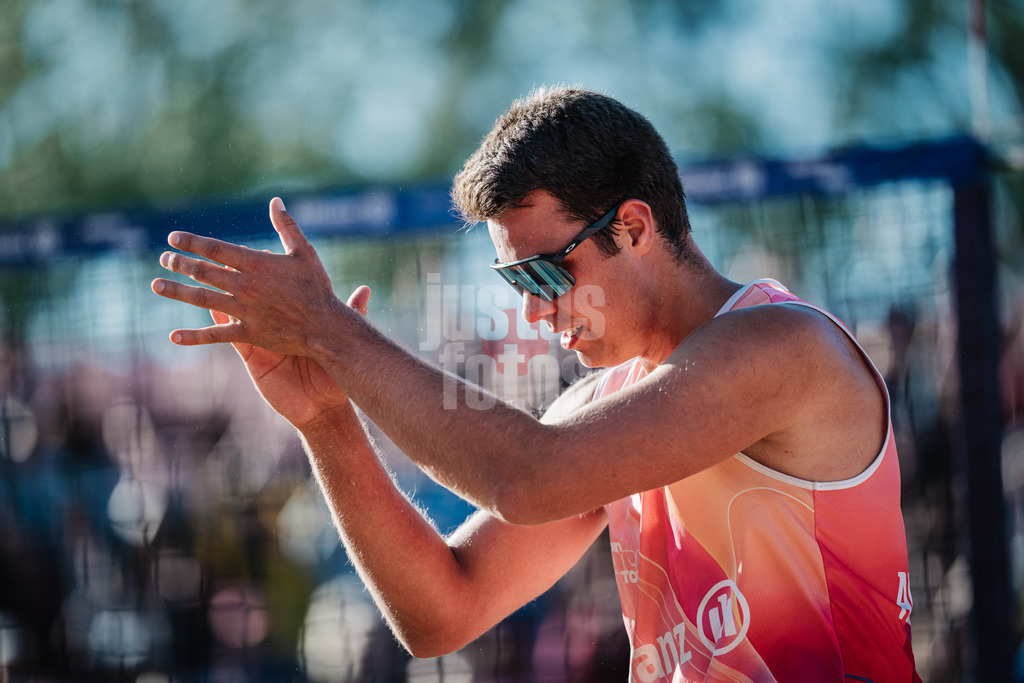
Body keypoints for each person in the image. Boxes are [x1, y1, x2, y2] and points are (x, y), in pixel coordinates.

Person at [152, 86, 920, 682]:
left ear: (634, 226)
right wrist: (327, 420)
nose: (532, 305)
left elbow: (526, 475)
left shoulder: (784, 344)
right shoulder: (603, 401)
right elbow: (440, 613)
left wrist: (330, 329)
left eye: (545, 269)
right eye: (511, 277)